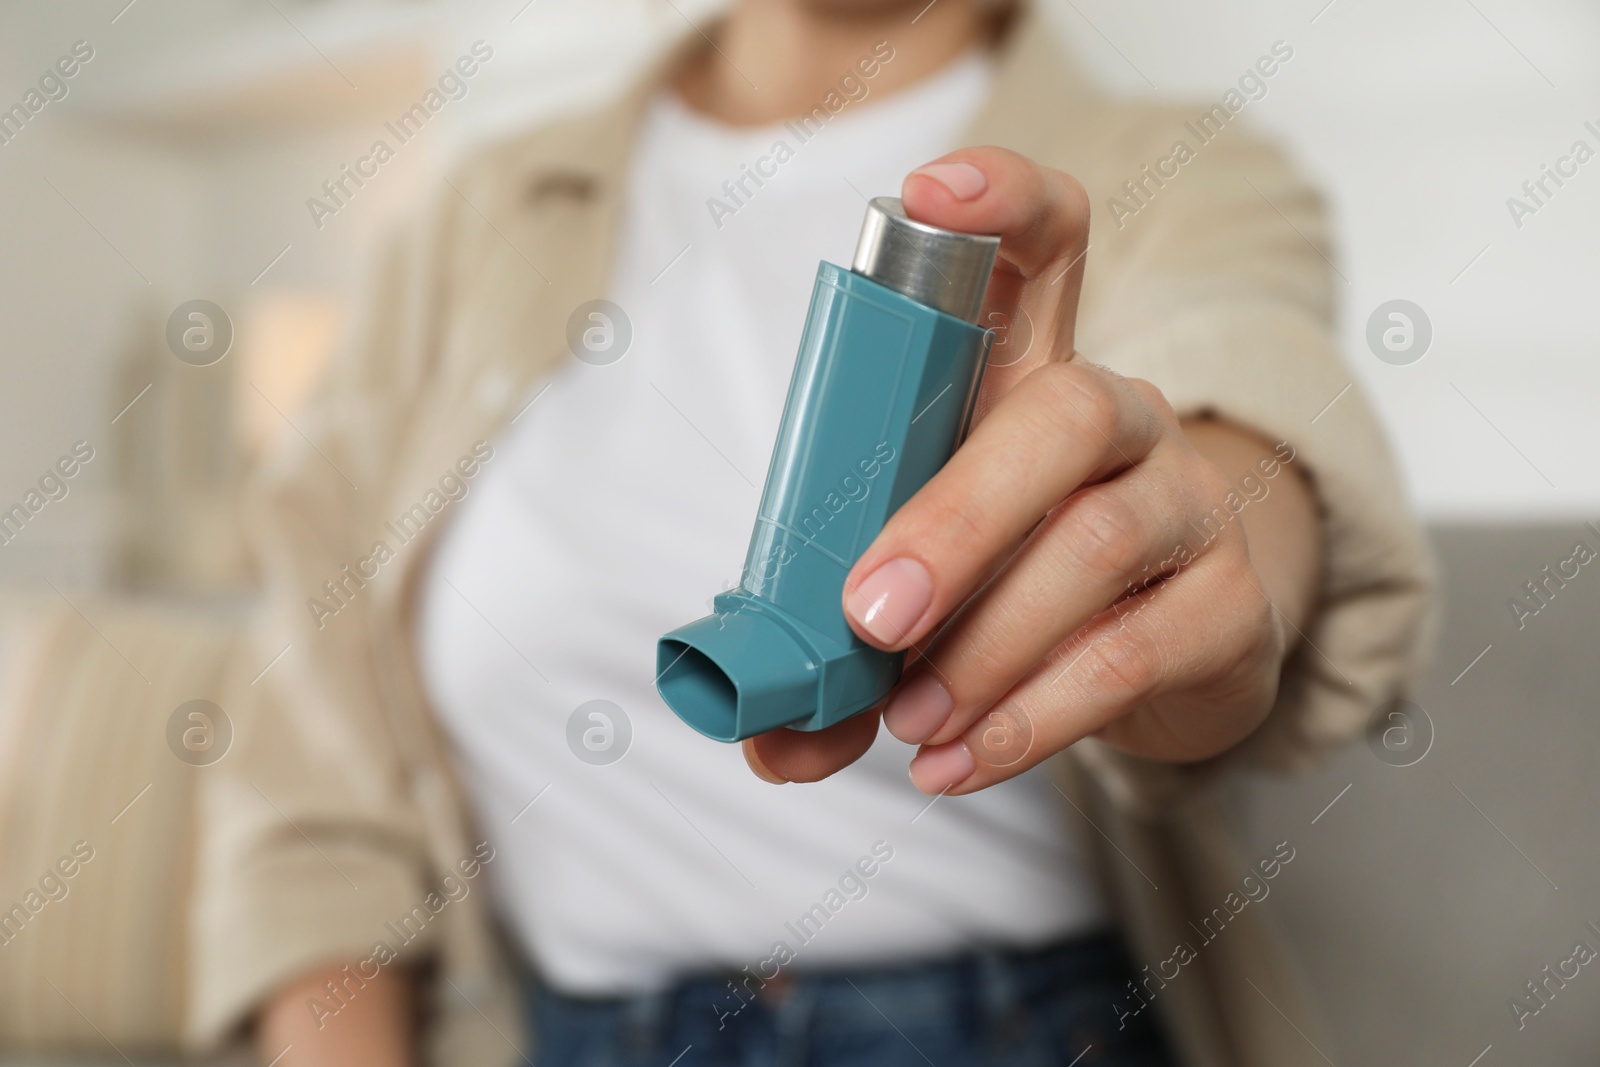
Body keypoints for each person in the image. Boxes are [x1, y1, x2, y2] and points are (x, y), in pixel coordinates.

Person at [188, 1, 1432, 1065]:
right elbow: (308, 771)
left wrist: (1203, 564)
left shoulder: (1187, 167)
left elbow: (1239, 399)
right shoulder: (471, 217)